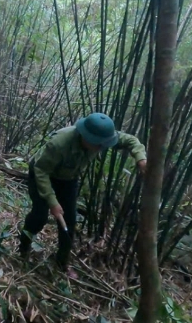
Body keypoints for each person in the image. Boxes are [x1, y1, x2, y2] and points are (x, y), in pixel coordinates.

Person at [18, 112, 147, 274]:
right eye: (99, 145)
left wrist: (141, 158)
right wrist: (52, 202)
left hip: (68, 179)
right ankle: (23, 247)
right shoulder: (59, 144)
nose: (102, 148)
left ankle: (61, 262)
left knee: (69, 221)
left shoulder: (101, 139)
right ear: (86, 138)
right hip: (43, 174)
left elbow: (130, 140)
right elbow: (41, 171)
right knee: (39, 216)